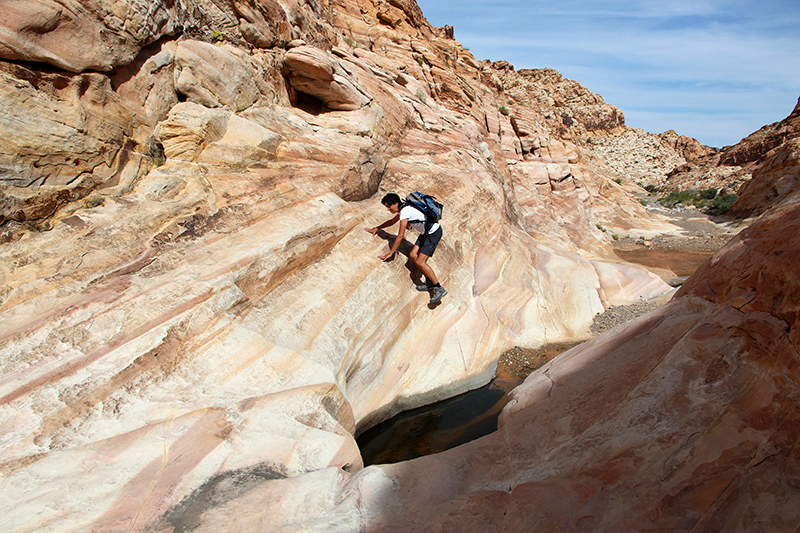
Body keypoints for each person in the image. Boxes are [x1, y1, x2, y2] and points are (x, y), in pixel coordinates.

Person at [365, 193, 447, 304]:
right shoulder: (405, 208)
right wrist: (377, 228)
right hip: (425, 233)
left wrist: (391, 253)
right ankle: (429, 283)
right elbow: (392, 222)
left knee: (420, 262)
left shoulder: (405, 211)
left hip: (433, 234)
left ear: (396, 203)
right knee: (413, 255)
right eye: (387, 207)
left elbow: (400, 236)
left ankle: (438, 288)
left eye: (389, 206)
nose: (388, 209)